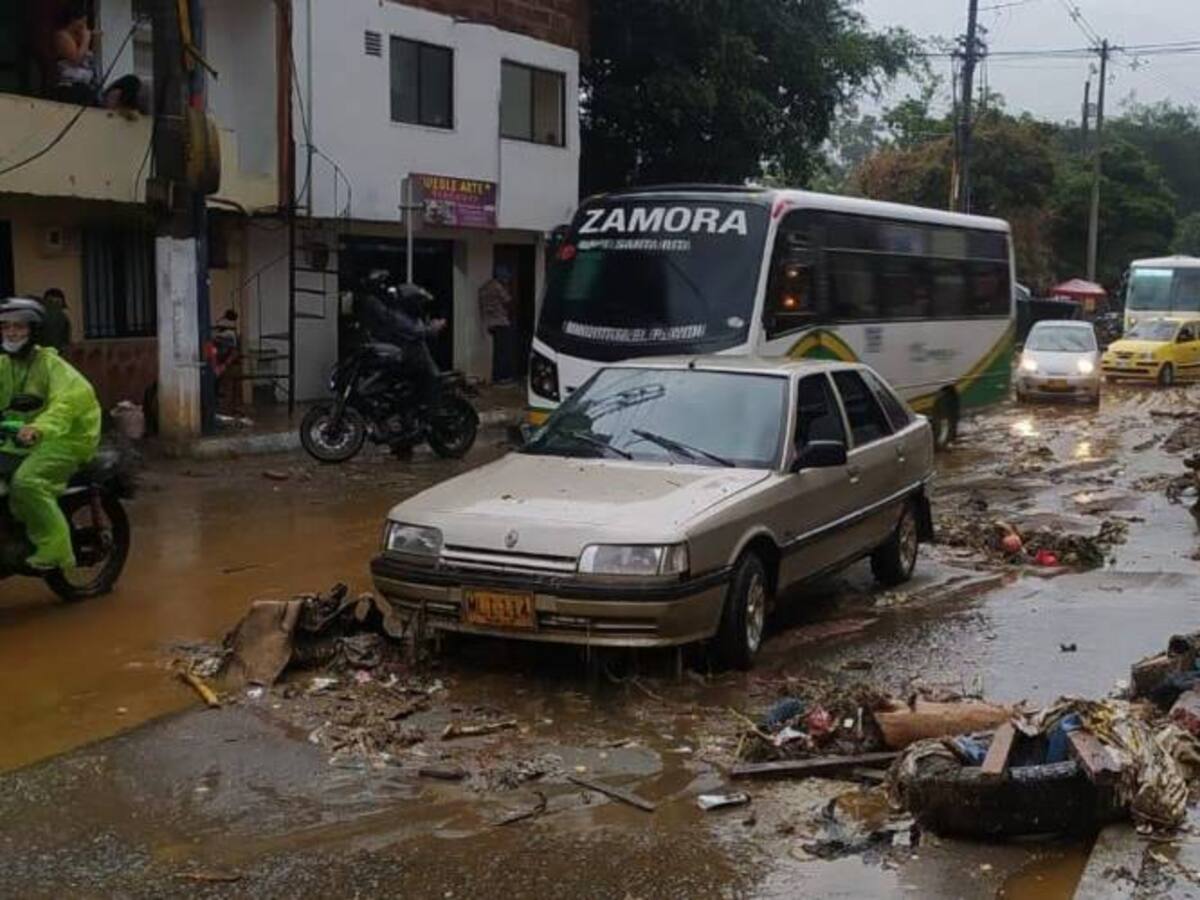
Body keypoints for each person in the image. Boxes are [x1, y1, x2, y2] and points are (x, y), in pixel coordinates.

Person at [0, 298, 101, 572]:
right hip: (19, 436)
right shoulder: (5, 364)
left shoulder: (51, 365)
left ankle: (56, 548)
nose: (11, 333)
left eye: (19, 327)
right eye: (5, 327)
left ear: (34, 331)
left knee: (26, 482)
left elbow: (66, 404)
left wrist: (38, 428)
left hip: (66, 437)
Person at [354, 276, 446, 411]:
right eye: (418, 302)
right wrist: (434, 327)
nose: (420, 305)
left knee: (429, 381)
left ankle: (428, 412)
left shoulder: (408, 316)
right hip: (406, 359)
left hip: (414, 361)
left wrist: (432, 328)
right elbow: (416, 331)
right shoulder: (396, 315)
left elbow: (418, 331)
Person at [52, 4, 142, 113]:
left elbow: (89, 60)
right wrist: (86, 39)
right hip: (72, 87)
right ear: (73, 21)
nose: (84, 27)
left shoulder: (81, 39)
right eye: (81, 24)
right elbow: (76, 59)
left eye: (86, 24)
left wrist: (91, 41)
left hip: (87, 86)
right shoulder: (63, 36)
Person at [478, 269, 515, 384]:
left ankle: (496, 376)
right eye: (506, 278)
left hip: (490, 323)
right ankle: (502, 378)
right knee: (503, 351)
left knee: (498, 351)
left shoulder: (485, 287)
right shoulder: (498, 287)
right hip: (501, 322)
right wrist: (507, 288)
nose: (507, 280)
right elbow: (508, 300)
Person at [40, 289, 73, 353]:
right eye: (50, 302)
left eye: (57, 302)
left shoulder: (64, 318)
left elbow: (66, 339)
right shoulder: (39, 317)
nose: (54, 305)